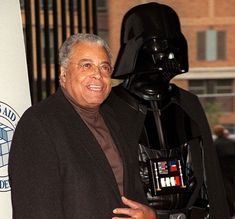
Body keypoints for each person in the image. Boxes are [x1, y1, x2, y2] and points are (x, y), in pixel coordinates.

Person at [8, 33, 156, 219]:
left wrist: (150, 215)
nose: (98, 74)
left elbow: (133, 192)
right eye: (87, 65)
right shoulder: (38, 125)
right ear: (63, 73)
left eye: (105, 67)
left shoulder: (117, 120)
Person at [112, 2, 230, 219]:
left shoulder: (188, 103)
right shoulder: (112, 108)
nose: (169, 55)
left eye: (174, 45)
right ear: (136, 50)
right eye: (159, 45)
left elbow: (211, 176)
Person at [213, 125, 235, 218]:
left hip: (223, 171)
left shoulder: (215, 144)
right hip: (233, 169)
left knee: (228, 191)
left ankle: (231, 210)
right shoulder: (232, 142)